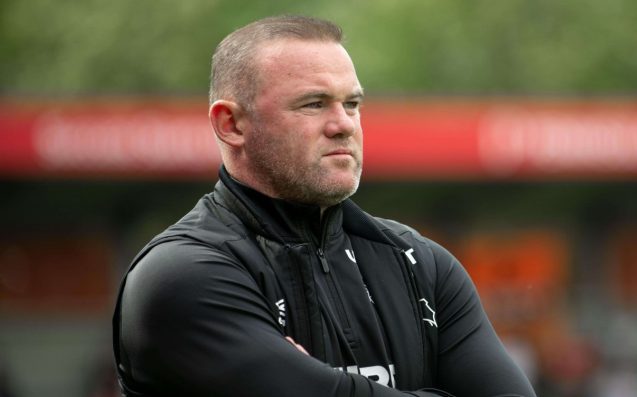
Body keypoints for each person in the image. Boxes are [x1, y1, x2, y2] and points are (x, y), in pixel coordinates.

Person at [112, 15, 536, 397]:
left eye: (352, 103)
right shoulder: (184, 274)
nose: (343, 125)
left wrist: (321, 381)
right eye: (313, 104)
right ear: (231, 124)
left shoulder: (421, 264)